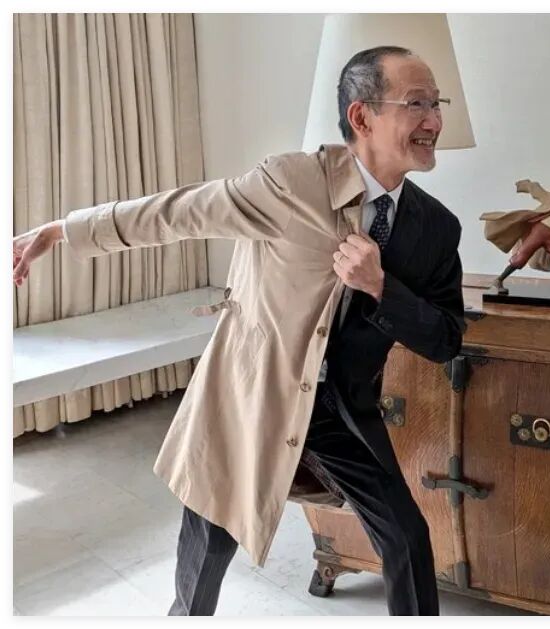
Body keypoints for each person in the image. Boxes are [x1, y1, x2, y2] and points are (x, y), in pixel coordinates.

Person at [13, 46, 465, 616]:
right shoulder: (291, 182)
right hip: (251, 398)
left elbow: (446, 338)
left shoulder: (436, 227)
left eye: (437, 104)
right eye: (417, 103)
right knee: (208, 548)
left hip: (341, 411)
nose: (433, 120)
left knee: (406, 538)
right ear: (362, 116)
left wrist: (381, 288)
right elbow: (177, 212)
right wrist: (64, 230)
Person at [480, 177, 550, 299]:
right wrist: (526, 185)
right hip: (539, 231)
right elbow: (538, 191)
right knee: (522, 256)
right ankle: (499, 280)